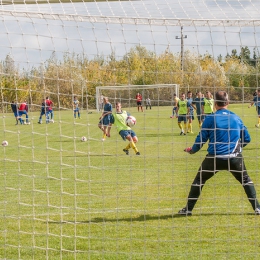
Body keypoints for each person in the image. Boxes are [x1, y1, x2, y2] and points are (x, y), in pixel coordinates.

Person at [179, 90, 260, 216]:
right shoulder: (236, 118)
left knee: (199, 180)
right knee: (246, 180)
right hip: (234, 158)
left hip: (214, 159)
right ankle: (257, 208)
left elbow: (201, 140)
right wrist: (237, 147)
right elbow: (247, 138)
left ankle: (188, 210)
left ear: (215, 104)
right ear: (228, 102)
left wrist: (193, 150)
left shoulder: (210, 119)